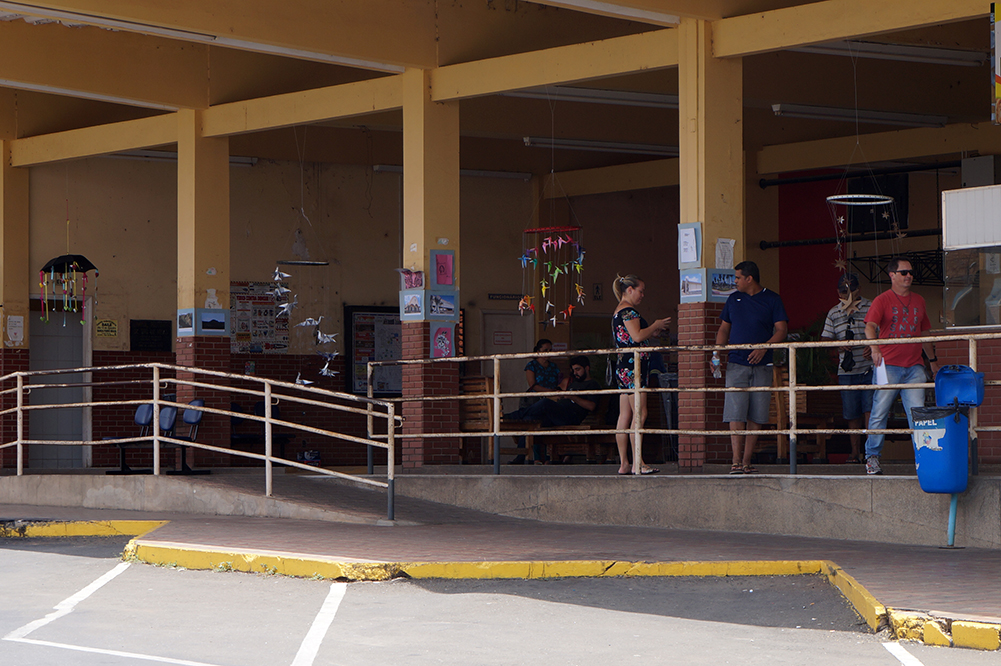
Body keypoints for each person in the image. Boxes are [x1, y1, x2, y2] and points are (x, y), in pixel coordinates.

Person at [863, 257, 939, 476]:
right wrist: (875, 349)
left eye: (911, 272)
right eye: (904, 272)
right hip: (888, 365)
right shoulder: (882, 299)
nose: (909, 276)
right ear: (892, 275)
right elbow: (870, 326)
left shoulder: (920, 300)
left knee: (918, 414)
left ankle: (923, 458)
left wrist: (933, 361)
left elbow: (925, 332)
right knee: (879, 412)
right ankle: (872, 457)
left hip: (915, 366)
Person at [714, 260, 788, 475]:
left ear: (749, 278)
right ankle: (735, 461)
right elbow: (723, 329)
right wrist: (716, 354)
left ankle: (747, 461)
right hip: (736, 362)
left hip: (763, 364)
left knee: (757, 414)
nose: (735, 282)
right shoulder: (733, 299)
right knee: (735, 412)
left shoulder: (772, 299)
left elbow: (782, 330)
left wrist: (764, 348)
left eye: (738, 278)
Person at [611, 274, 671, 475]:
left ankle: (625, 463)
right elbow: (636, 336)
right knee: (640, 413)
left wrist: (651, 332)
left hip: (623, 365)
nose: (642, 295)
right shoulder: (629, 311)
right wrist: (655, 325)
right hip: (634, 366)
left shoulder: (619, 311)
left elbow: (633, 335)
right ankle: (638, 462)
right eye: (640, 291)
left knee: (625, 415)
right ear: (629, 290)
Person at [821, 273, 874, 464]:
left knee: (870, 410)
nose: (848, 295)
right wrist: (839, 344)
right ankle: (854, 453)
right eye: (844, 292)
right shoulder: (834, 312)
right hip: (847, 369)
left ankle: (871, 453)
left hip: (869, 367)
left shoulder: (871, 307)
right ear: (838, 292)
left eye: (852, 291)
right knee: (851, 412)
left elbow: (883, 331)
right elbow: (825, 339)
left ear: (859, 289)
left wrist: (873, 345)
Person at [509, 356, 601, 462]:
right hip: (558, 415)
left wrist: (573, 397)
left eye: (578, 369)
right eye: (573, 370)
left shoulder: (592, 384)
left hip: (571, 417)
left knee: (545, 403)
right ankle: (520, 457)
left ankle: (514, 416)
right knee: (530, 420)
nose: (575, 373)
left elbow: (591, 406)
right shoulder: (573, 383)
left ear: (587, 368)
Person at [506, 338, 564, 463]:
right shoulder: (531, 365)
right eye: (545, 350)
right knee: (529, 423)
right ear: (538, 351)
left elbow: (560, 382)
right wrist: (549, 392)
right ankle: (525, 456)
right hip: (534, 400)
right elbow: (533, 385)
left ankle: (544, 457)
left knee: (543, 424)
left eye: (550, 350)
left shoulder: (554, 367)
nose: (548, 353)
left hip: (550, 401)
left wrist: (556, 393)